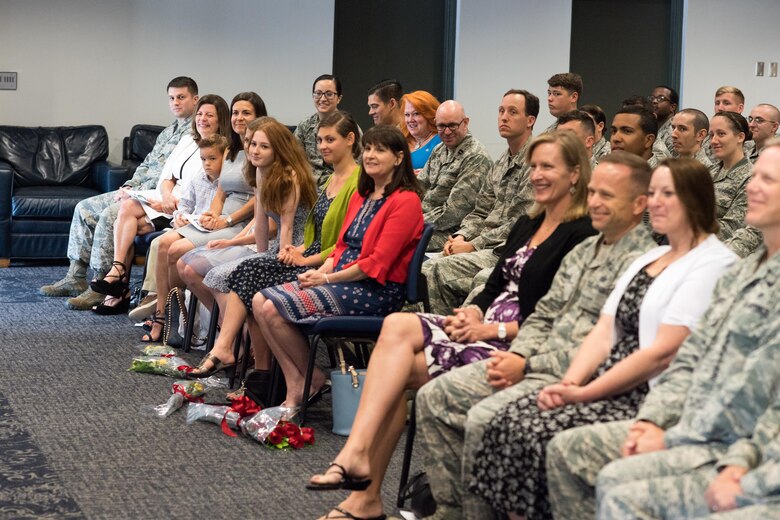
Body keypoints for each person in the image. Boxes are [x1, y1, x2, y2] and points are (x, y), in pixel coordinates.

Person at [306, 131, 598, 520]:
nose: (537, 175)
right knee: (396, 327)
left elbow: (559, 317)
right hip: (487, 325)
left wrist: (491, 330)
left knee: (398, 373)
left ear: (576, 174)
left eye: (549, 167)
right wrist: (473, 311)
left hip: (522, 340)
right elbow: (495, 283)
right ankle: (358, 465)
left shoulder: (583, 234)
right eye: (533, 167)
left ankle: (363, 492)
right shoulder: (528, 224)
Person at [468, 158, 737, 519]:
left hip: (645, 390)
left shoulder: (713, 263)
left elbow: (662, 354)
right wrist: (569, 382)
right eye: (652, 192)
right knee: (511, 421)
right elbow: (604, 330)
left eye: (667, 194)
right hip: (604, 376)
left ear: (696, 200)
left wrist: (583, 393)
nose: (654, 202)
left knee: (538, 433)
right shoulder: (655, 256)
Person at [545, 138, 780, 520]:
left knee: (623, 493)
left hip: (737, 445)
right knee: (580, 458)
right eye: (754, 177)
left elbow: (771, 399)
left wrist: (738, 465)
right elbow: (690, 360)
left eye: (767, 180)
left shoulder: (719, 265)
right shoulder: (741, 274)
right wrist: (652, 420)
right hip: (695, 428)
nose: (752, 186)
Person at [414, 152, 657, 519]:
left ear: (640, 204)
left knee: (484, 419)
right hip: (534, 358)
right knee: (435, 396)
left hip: (575, 373)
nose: (594, 202)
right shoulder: (586, 250)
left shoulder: (644, 262)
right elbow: (543, 315)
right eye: (593, 193)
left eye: (608, 196)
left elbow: (604, 342)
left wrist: (527, 364)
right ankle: (452, 510)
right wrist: (518, 356)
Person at [247, 125, 423, 409]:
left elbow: (373, 264)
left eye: (380, 150)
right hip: (340, 278)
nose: (371, 155)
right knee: (259, 301)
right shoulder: (362, 196)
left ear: (399, 158)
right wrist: (321, 270)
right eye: (368, 148)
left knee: (272, 308)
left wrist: (326, 278)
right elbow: (341, 247)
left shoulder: (406, 201)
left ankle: (302, 386)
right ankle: (303, 381)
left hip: (375, 291)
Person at [186, 111, 357, 379]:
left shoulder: (291, 177)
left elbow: (291, 232)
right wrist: (258, 249)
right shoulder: (266, 173)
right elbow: (264, 229)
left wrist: (282, 257)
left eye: (263, 146)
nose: (254, 150)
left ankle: (240, 354)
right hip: (297, 250)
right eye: (253, 144)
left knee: (247, 277)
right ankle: (242, 354)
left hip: (306, 254)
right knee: (235, 274)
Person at [98, 92, 264, 316]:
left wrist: (225, 219)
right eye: (236, 112)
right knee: (129, 213)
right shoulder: (228, 149)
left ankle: (156, 304)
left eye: (246, 113)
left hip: (232, 219)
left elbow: (260, 198)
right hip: (199, 210)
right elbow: (216, 191)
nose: (239, 118)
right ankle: (148, 303)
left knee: (166, 245)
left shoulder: (246, 150)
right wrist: (210, 215)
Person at [39, 76, 198, 310]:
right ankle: (75, 276)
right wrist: (129, 186)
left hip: (157, 195)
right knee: (84, 208)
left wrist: (137, 193)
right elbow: (147, 164)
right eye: (171, 98)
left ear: (195, 99)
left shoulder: (196, 132)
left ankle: (101, 283)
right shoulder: (167, 132)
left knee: (110, 214)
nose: (175, 102)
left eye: (181, 97)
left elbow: (170, 174)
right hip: (138, 190)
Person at [423, 89, 539, 315]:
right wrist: (462, 235)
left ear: (530, 120)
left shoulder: (535, 163)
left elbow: (518, 222)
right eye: (501, 111)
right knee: (425, 267)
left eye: (512, 112)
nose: (503, 117)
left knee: (432, 270)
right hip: (481, 242)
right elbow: (480, 211)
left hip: (504, 249)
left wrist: (473, 244)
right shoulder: (502, 161)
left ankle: (445, 339)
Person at [140, 95, 233, 341]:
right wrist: (180, 215)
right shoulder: (196, 162)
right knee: (159, 243)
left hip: (215, 225)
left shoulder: (231, 163)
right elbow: (184, 199)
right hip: (193, 221)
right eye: (200, 114)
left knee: (168, 247)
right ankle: (165, 312)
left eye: (209, 115)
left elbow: (224, 209)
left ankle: (164, 311)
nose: (202, 118)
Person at [419, 100, 492, 251]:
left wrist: (413, 222)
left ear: (465, 123)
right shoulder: (439, 150)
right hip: (425, 223)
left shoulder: (475, 157)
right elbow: (418, 188)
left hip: (451, 231)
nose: (446, 132)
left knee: (400, 243)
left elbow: (454, 212)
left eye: (452, 125)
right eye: (441, 126)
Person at [709, 111, 762, 257]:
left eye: (721, 134)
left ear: (740, 137)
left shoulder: (752, 178)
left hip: (723, 253)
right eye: (711, 134)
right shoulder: (709, 173)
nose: (713, 140)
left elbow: (732, 227)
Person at [295, 74, 343, 185]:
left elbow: (357, 165)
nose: (322, 99)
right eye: (318, 93)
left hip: (335, 186)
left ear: (339, 98)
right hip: (306, 186)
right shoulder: (305, 125)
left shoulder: (348, 127)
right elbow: (293, 158)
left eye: (329, 94)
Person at [400, 90, 441, 172]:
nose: (410, 120)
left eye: (416, 114)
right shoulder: (401, 140)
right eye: (407, 115)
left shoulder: (441, 141)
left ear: (429, 115)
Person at [649, 85, 678, 159]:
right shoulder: (652, 127)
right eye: (652, 98)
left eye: (661, 98)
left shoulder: (675, 131)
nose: (654, 101)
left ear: (672, 107)